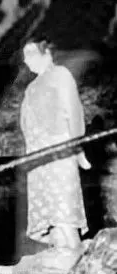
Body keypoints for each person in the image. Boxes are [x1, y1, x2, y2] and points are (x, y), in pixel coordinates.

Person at [20, 39, 90, 250]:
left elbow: (73, 111)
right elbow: (26, 122)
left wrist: (77, 146)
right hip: (38, 154)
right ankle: (60, 251)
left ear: (47, 53)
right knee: (52, 218)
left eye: (31, 53)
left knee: (64, 212)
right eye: (24, 55)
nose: (26, 60)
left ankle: (75, 256)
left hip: (59, 148)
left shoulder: (60, 75)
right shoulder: (31, 87)